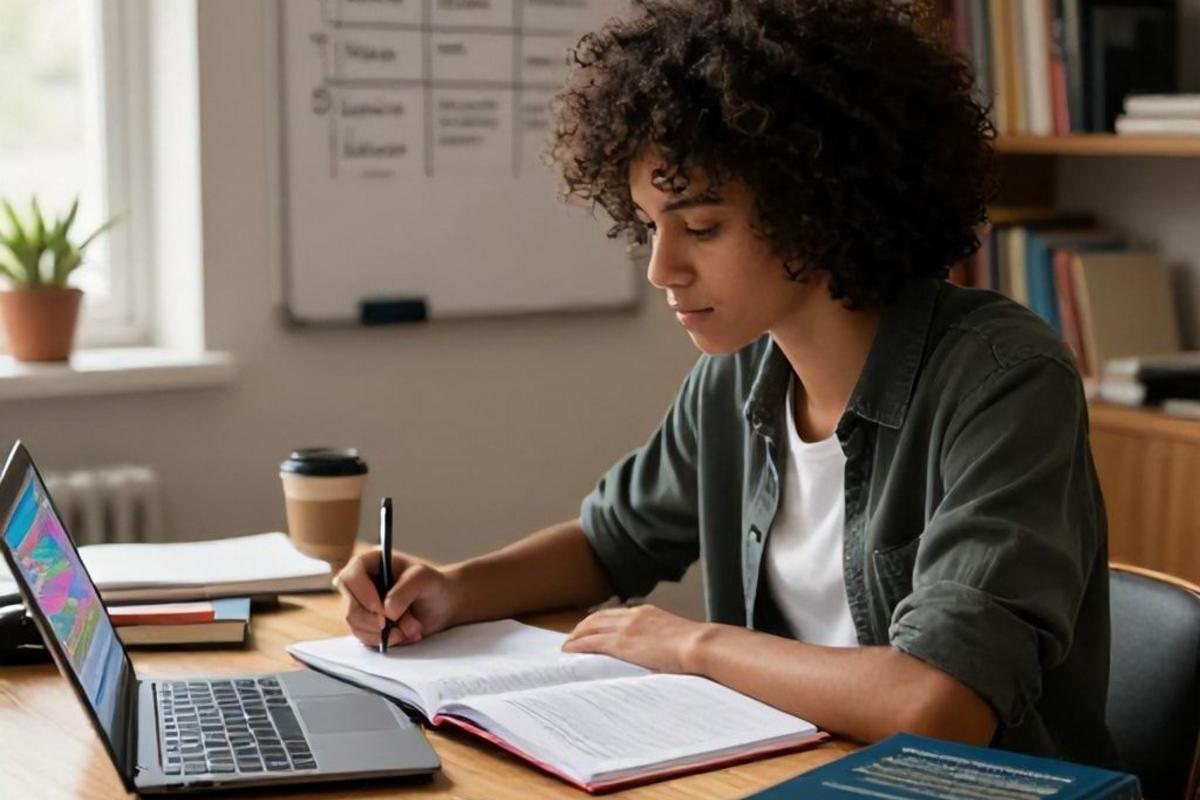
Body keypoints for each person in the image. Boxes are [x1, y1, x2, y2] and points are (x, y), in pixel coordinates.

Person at [336, 0, 1117, 766]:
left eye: (702, 228)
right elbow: (611, 543)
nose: (661, 269)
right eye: (650, 225)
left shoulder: (1004, 380)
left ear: (818, 205)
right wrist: (452, 590)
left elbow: (937, 704)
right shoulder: (735, 375)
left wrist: (692, 645)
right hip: (797, 773)